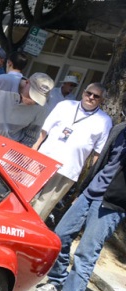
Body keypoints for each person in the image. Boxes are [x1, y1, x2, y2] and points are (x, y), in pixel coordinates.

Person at [35, 121, 126, 291]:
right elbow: (102, 163)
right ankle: (57, 279)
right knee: (61, 235)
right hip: (90, 192)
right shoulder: (120, 129)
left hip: (112, 203)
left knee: (86, 252)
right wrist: (83, 189)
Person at [30, 82, 111, 220]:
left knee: (42, 207)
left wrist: (88, 177)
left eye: (96, 96)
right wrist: (35, 147)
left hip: (68, 169)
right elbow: (45, 130)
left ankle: (28, 232)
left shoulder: (105, 121)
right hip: (43, 159)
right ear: (83, 92)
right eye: (88, 93)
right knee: (26, 195)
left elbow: (98, 153)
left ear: (102, 100)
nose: (91, 97)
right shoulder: (65, 105)